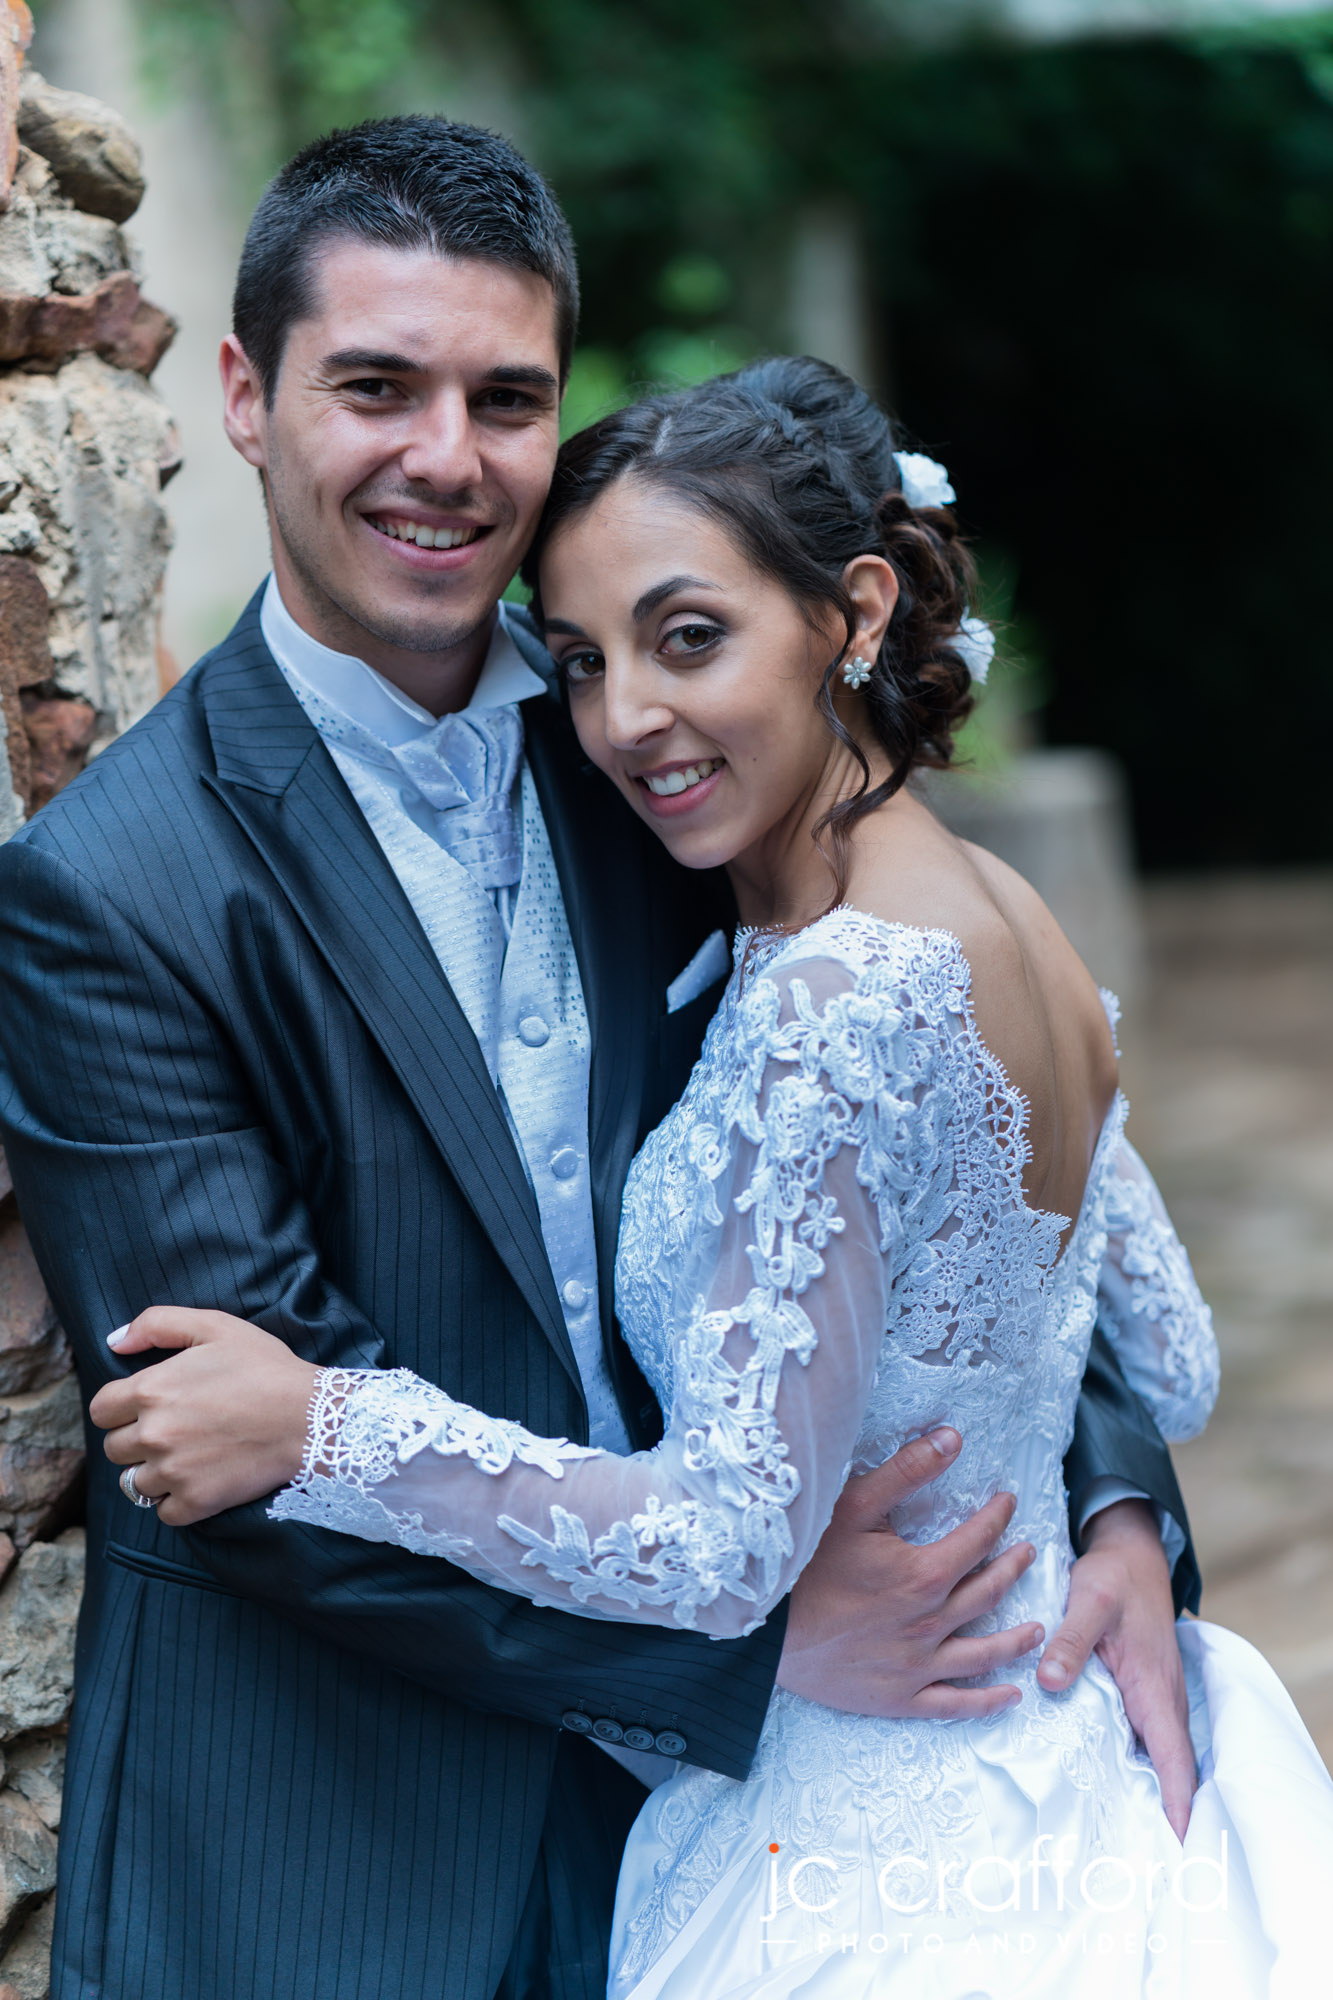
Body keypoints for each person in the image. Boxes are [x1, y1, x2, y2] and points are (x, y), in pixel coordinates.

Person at [0, 118, 1197, 2000]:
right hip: (346, 1846)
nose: (445, 457)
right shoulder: (110, 886)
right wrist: (745, 1650)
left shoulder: (668, 742)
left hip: (785, 1816)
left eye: (504, 398)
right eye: (375, 388)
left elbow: (959, 1147)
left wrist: (1104, 1505)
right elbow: (234, 1451)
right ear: (242, 395)